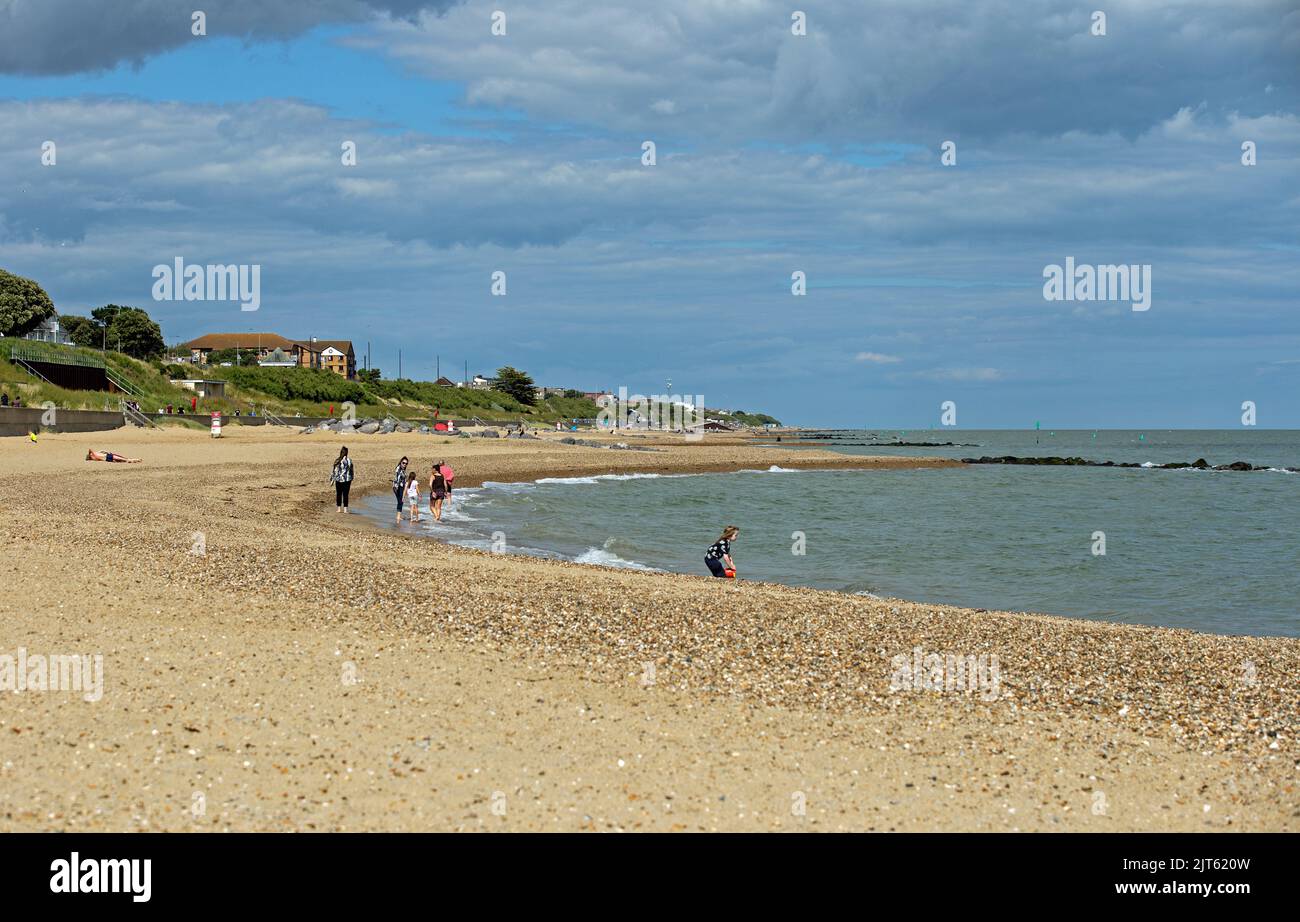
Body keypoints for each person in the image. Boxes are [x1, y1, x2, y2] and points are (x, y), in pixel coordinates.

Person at [331, 446, 354, 513]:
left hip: (338, 479)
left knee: (339, 494)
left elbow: (334, 471)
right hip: (347, 479)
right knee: (345, 494)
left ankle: (338, 509)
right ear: (347, 453)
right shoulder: (349, 460)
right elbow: (351, 470)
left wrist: (332, 479)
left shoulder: (337, 460)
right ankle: (345, 510)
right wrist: (352, 477)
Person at [392, 456, 410, 523]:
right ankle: (398, 517)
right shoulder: (398, 469)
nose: (404, 464)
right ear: (401, 462)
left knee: (400, 501)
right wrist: (396, 487)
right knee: (400, 501)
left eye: (406, 463)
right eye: (403, 463)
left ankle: (398, 516)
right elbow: (397, 478)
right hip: (397, 487)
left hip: (401, 487)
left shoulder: (403, 470)